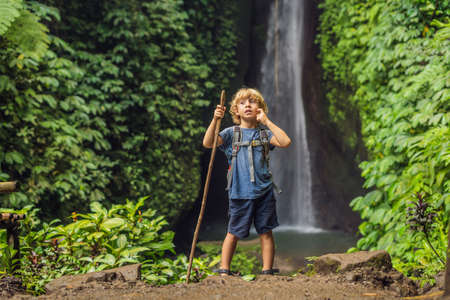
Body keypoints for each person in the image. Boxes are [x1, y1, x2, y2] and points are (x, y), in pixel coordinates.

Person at [202, 87, 291, 275]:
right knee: (233, 232)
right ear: (236, 110)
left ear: (260, 108)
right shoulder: (229, 134)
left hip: (264, 192)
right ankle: (224, 269)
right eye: (242, 103)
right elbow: (208, 143)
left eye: (252, 101)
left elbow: (285, 142)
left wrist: (267, 122)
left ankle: (267, 271)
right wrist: (215, 119)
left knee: (266, 232)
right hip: (240, 192)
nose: (247, 105)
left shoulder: (264, 134)